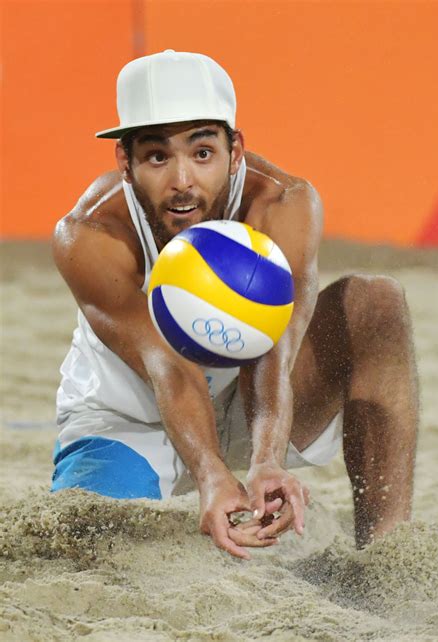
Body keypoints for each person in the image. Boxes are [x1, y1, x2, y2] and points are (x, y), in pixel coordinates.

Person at [52, 50, 418, 560]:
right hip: (132, 416)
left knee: (377, 302)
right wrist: (210, 474)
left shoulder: (284, 204)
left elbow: (276, 347)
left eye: (202, 152)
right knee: (85, 548)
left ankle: (385, 558)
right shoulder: (89, 233)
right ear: (125, 161)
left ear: (235, 149)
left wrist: (267, 459)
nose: (182, 180)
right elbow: (169, 367)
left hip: (254, 404)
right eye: (158, 157)